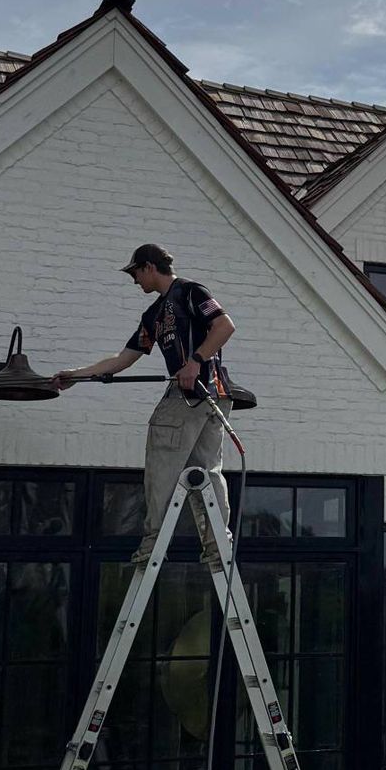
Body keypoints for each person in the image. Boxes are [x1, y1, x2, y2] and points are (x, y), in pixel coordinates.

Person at [56, 242, 237, 567]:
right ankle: (218, 548)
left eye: (136, 273)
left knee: (162, 460)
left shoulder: (190, 293)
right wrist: (77, 375)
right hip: (209, 398)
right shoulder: (154, 315)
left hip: (197, 394)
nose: (135, 280)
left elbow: (225, 326)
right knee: (205, 474)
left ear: (149, 267)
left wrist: (195, 360)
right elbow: (124, 359)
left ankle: (154, 542)